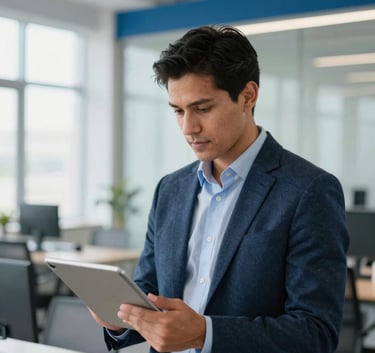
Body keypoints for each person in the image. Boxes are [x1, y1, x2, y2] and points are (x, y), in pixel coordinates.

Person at [92, 25, 349, 353]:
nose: (188, 127)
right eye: (178, 111)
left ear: (248, 96)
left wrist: (204, 333)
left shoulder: (309, 191)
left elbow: (316, 333)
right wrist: (121, 319)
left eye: (202, 108)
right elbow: (149, 296)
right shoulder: (170, 190)